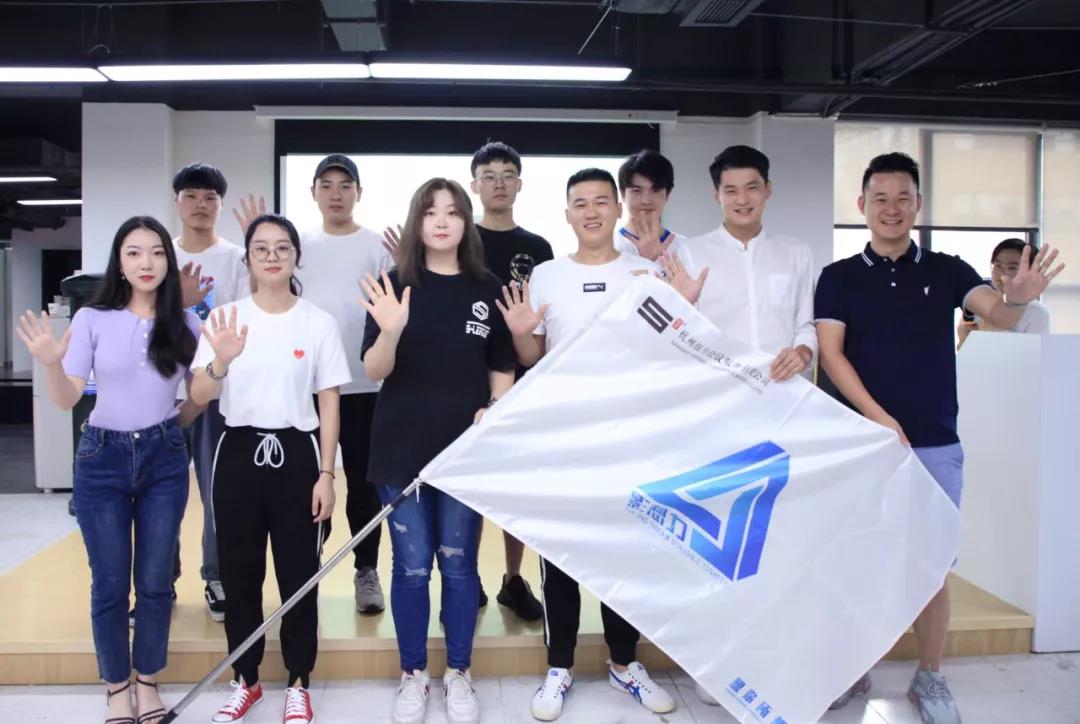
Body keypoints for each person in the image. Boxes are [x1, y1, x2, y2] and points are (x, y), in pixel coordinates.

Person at [815, 152, 1063, 724]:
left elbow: (1000, 316)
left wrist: (1020, 296)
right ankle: (854, 666)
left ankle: (929, 675)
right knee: (857, 561)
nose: (892, 208)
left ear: (919, 205)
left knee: (930, 568)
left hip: (934, 443)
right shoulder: (838, 277)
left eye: (903, 198)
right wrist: (878, 418)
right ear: (862, 205)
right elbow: (831, 354)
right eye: (880, 198)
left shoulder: (948, 269)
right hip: (860, 444)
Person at [496, 168, 706, 721]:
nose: (590, 212)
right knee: (561, 553)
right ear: (567, 214)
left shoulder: (647, 272)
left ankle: (623, 662)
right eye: (580, 203)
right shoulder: (546, 275)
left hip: (631, 439)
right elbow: (533, 358)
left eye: (600, 201)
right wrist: (519, 332)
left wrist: (685, 307)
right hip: (564, 438)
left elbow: (670, 352)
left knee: (626, 554)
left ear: (617, 209)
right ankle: (559, 666)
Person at [17, 216, 201, 724]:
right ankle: (117, 687)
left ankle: (148, 682)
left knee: (156, 580)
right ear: (119, 262)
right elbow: (67, 398)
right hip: (102, 458)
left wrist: (176, 424)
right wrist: (50, 362)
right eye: (134, 252)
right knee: (110, 582)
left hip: (164, 456)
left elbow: (198, 397)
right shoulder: (93, 318)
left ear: (168, 261)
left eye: (156, 252)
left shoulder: (186, 323)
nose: (146, 262)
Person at [361, 178, 517, 724]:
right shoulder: (393, 283)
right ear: (417, 222)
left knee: (458, 564)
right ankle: (412, 674)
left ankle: (458, 672)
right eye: (431, 212)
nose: (443, 221)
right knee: (410, 567)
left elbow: (502, 364)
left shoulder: (487, 286)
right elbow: (374, 369)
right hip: (401, 447)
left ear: (466, 222)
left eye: (453, 212)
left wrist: (494, 406)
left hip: (463, 454)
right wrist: (390, 331)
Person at [191, 214, 350, 724]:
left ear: (296, 256)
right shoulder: (224, 318)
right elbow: (199, 394)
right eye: (261, 248)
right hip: (237, 453)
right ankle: (247, 680)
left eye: (283, 247)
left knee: (299, 574)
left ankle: (299, 681)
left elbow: (329, 401)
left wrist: (327, 473)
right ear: (248, 259)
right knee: (239, 574)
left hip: (298, 455)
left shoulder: (317, 322)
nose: (273, 256)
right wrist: (220, 362)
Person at [685, 144, 818, 705]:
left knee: (781, 538)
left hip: (784, 413)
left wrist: (804, 351)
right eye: (731, 190)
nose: (742, 199)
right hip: (719, 418)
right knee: (722, 542)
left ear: (768, 190)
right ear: (716, 194)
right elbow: (679, 332)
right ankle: (718, 662)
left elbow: (808, 322)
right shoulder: (691, 252)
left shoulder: (796, 252)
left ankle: (776, 657)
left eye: (752, 187)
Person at [234, 154, 392, 615]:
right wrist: (252, 244)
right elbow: (266, 295)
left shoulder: (377, 245)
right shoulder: (298, 246)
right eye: (327, 185)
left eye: (345, 185)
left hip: (364, 386)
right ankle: (308, 570)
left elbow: (395, 307)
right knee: (308, 486)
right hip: (307, 387)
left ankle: (366, 570)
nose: (336, 194)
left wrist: (408, 263)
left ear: (359, 192)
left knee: (364, 486)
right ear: (313, 193)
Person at [468, 140, 551, 621]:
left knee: (517, 486)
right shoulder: (461, 240)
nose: (498, 184)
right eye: (489, 176)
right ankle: (468, 577)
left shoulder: (538, 248)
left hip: (525, 376)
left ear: (519, 184)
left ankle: (513, 580)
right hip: (468, 375)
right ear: (474, 185)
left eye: (507, 175)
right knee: (472, 483)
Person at [171, 162, 248, 623]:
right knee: (162, 493)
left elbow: (245, 321)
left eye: (210, 198)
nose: (201, 205)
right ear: (177, 201)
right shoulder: (160, 254)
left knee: (218, 492)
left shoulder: (236, 258)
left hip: (218, 395)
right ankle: (160, 580)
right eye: (192, 196)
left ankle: (216, 575)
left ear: (220, 204)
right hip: (164, 395)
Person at [957, 237, 1051, 347]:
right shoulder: (980, 305)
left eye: (1012, 267)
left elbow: (1034, 354)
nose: (1003, 272)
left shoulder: (1036, 312)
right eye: (998, 265)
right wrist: (964, 340)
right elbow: (962, 349)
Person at [614, 149, 692, 265]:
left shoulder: (685, 248)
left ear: (668, 194)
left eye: (655, 190)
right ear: (623, 194)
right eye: (637, 191)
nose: (646, 201)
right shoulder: (609, 246)